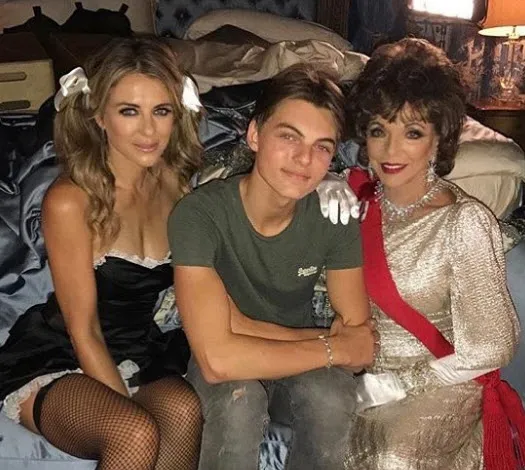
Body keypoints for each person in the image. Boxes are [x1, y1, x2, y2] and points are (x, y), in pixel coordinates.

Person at [0, 37, 203, 470]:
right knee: (133, 432)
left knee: (185, 410)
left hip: (140, 349)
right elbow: (84, 329)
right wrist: (127, 403)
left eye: (161, 111)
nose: (148, 131)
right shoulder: (70, 200)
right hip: (63, 355)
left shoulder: (176, 184)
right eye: (129, 111)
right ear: (99, 116)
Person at [168, 63, 378, 470]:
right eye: (288, 137)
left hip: (297, 366)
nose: (304, 159)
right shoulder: (200, 214)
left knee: (332, 397)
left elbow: (360, 350)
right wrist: (333, 346)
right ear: (254, 135)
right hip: (230, 366)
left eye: (322, 147)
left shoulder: (334, 216)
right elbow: (217, 359)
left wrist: (342, 349)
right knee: (239, 400)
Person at [328, 37, 523, 469]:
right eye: (379, 130)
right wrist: (324, 184)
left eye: (412, 133)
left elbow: (494, 346)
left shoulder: (464, 222)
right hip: (361, 373)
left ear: (438, 140)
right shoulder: (354, 201)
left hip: (442, 381)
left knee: (390, 457)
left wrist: (402, 383)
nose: (391, 150)